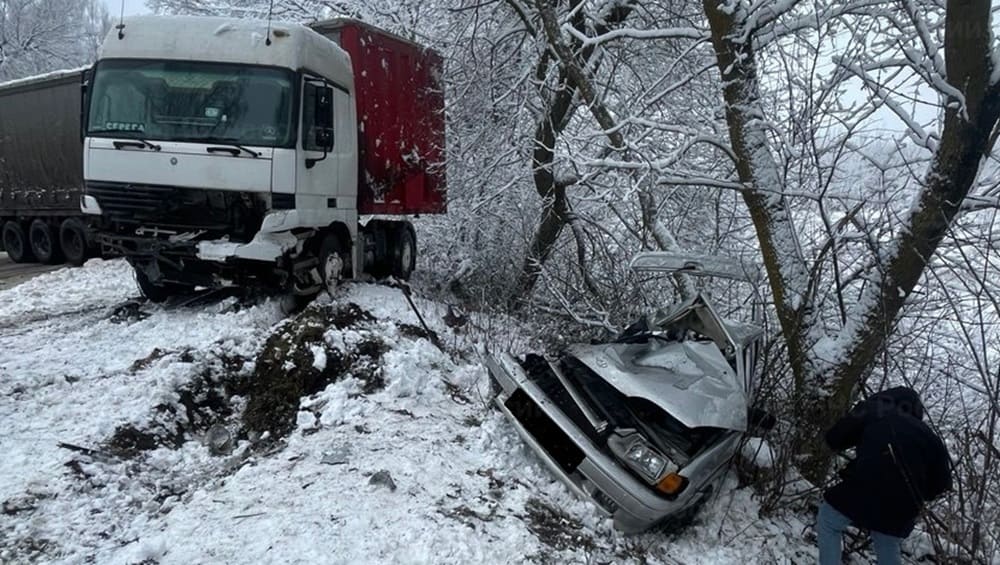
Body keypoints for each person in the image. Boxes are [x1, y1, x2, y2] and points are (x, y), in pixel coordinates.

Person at [817, 386, 952, 564]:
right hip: (905, 503)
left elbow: (835, 438)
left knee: (828, 520)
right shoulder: (930, 436)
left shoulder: (873, 408)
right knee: (887, 539)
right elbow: (941, 485)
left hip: (866, 484)